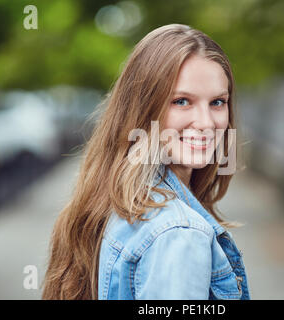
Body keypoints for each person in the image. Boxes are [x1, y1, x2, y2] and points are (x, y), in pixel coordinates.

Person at [42, 23, 250, 300]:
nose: (206, 123)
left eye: (217, 102)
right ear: (143, 107)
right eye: (181, 101)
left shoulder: (119, 201)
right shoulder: (179, 234)